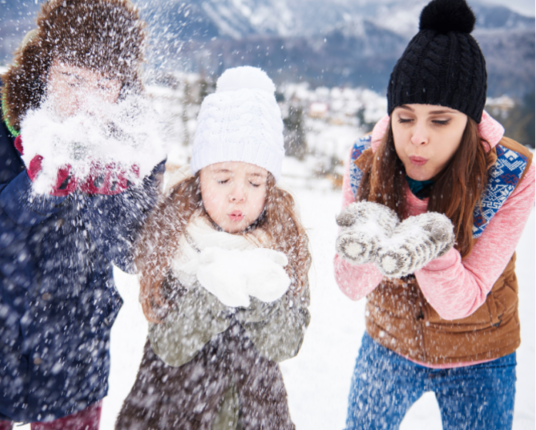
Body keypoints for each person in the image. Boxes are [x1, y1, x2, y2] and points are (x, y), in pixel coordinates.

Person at [0, 0, 165, 428]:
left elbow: (133, 255)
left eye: (103, 84)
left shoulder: (137, 141)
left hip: (73, 363)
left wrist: (102, 196)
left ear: (123, 85)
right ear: (45, 62)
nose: (84, 103)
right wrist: (31, 191)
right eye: (71, 78)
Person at [334, 0, 536, 428]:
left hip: (480, 355)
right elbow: (351, 286)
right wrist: (369, 239)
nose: (417, 139)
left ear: (470, 122)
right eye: (405, 118)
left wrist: (426, 245)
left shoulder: (513, 174)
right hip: (389, 341)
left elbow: (459, 300)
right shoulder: (365, 160)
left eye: (440, 121)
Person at [114, 66, 311, 430]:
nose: (238, 193)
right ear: (198, 178)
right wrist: (213, 290)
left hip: (255, 415)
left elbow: (285, 342)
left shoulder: (281, 248)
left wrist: (257, 288)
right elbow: (170, 345)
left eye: (255, 181)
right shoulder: (176, 240)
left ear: (270, 187)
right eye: (222, 178)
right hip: (170, 413)